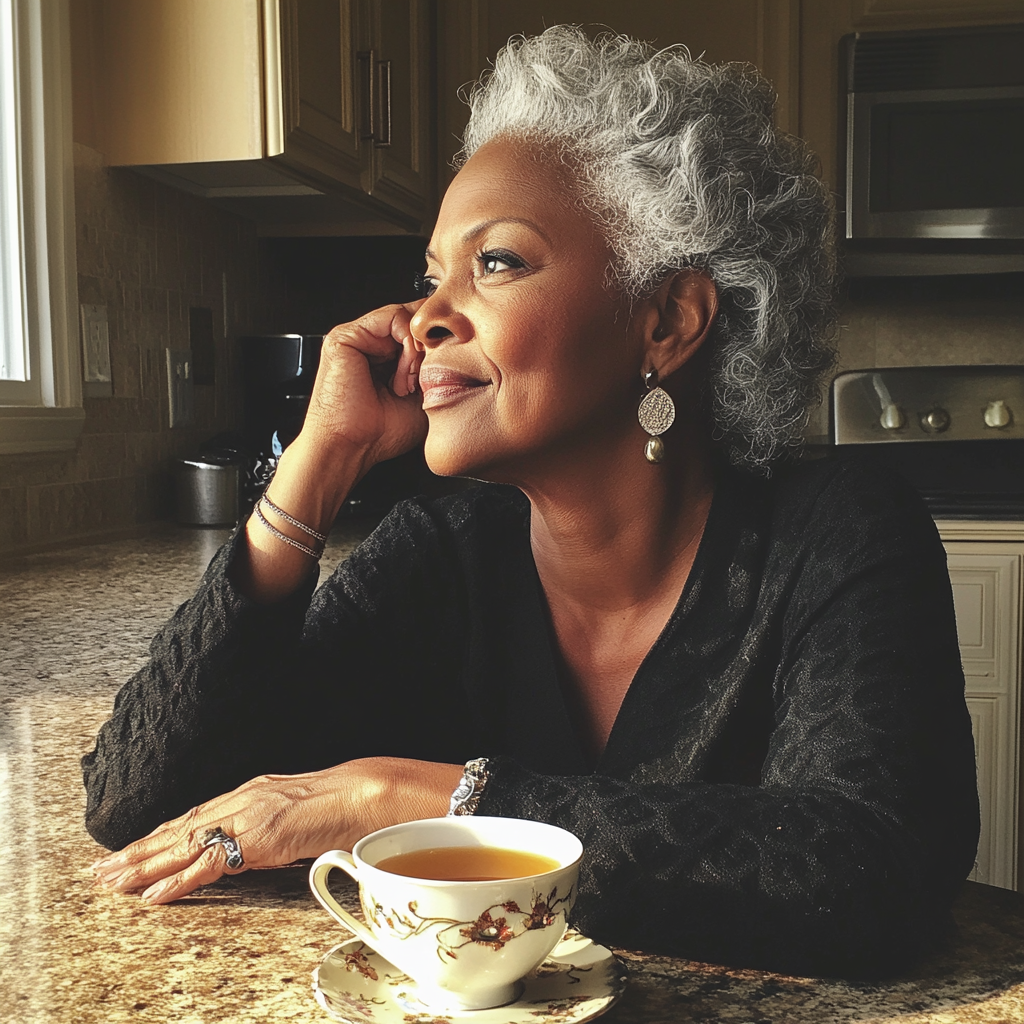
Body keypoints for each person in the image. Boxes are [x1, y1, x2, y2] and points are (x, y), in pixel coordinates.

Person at [85, 27, 979, 977]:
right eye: (432, 276)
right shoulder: (443, 550)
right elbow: (138, 805)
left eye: (497, 263)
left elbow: (876, 874)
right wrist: (318, 459)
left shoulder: (840, 532)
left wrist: (415, 798)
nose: (425, 316)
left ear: (668, 320)